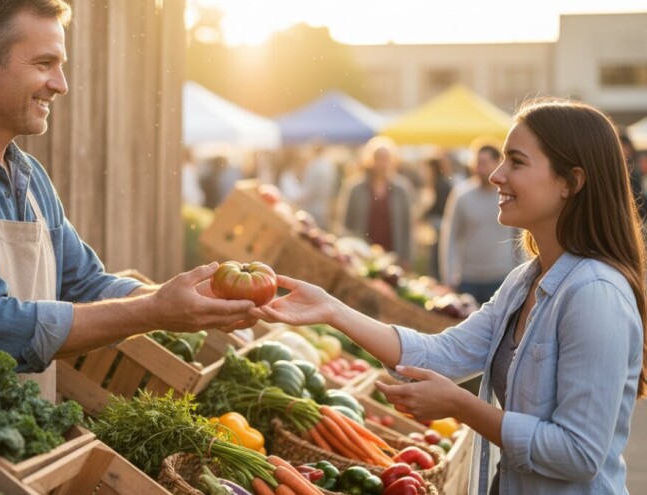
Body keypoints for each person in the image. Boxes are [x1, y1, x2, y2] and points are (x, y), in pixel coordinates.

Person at [0, 0, 256, 400]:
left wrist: (182, 297)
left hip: (17, 440)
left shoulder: (29, 178)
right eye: (44, 64)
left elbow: (85, 284)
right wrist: (154, 311)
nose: (61, 84)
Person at [252, 98, 646, 494]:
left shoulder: (595, 295)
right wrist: (332, 310)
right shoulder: (524, 283)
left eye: (516, 161)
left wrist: (462, 406)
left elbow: (579, 453)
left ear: (570, 182)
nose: (495, 174)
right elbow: (439, 354)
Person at [439, 140, 520, 304]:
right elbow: (450, 237)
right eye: (476, 163)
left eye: (483, 163)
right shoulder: (461, 195)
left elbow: (521, 237)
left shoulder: (511, 194)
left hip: (504, 279)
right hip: (468, 280)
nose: (478, 168)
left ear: (498, 163)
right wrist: (448, 276)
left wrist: (521, 275)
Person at [337, 136, 415, 268]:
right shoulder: (355, 188)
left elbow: (408, 227)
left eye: (386, 159)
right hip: (362, 255)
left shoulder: (401, 189)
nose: (382, 164)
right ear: (369, 160)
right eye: (378, 158)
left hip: (393, 253)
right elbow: (345, 224)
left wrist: (406, 258)